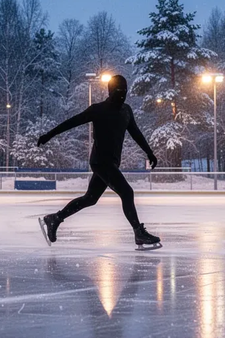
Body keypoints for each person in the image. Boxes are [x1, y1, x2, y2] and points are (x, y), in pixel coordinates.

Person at [36, 75, 161, 249]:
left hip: (111, 163)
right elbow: (71, 122)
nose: (122, 94)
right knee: (127, 192)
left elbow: (136, 133)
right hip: (100, 162)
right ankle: (138, 233)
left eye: (124, 90)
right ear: (110, 91)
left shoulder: (126, 111)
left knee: (90, 198)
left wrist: (149, 152)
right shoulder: (98, 110)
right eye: (119, 90)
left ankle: (55, 218)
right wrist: (49, 135)